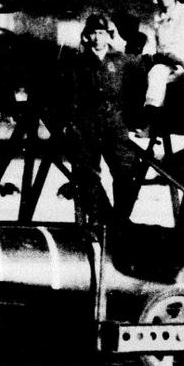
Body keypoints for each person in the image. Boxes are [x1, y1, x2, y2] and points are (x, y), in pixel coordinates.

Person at [55, 13, 152, 227]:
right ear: (87, 36)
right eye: (93, 33)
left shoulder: (124, 62)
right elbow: (69, 95)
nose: (97, 38)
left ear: (108, 36)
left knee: (126, 173)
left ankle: (121, 219)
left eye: (101, 33)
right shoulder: (77, 63)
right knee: (85, 174)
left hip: (116, 125)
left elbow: (137, 91)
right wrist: (72, 125)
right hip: (87, 126)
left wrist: (136, 121)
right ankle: (106, 220)